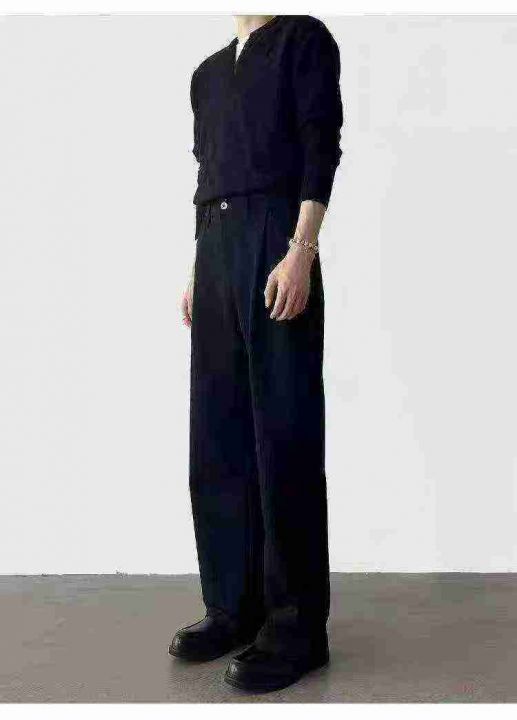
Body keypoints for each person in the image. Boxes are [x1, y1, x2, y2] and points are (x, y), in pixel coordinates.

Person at [169, 14, 343, 692]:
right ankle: (232, 607)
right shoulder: (206, 74)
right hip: (214, 246)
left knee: (283, 431)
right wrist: (198, 269)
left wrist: (301, 250)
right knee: (217, 434)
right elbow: (207, 174)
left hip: (277, 235)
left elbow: (320, 145)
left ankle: (297, 627)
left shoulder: (302, 39)